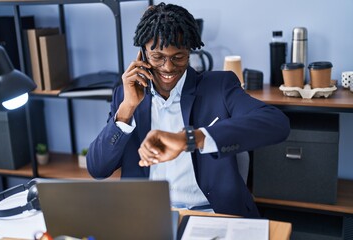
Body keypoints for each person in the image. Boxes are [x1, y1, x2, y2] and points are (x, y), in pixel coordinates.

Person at [87, 2, 290, 218]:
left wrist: (191, 139)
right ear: (142, 55)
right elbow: (97, 169)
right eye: (158, 57)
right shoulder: (124, 96)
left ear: (190, 51)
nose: (168, 67)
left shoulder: (218, 87)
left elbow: (276, 123)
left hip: (212, 214)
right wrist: (127, 109)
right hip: (149, 216)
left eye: (178, 57)